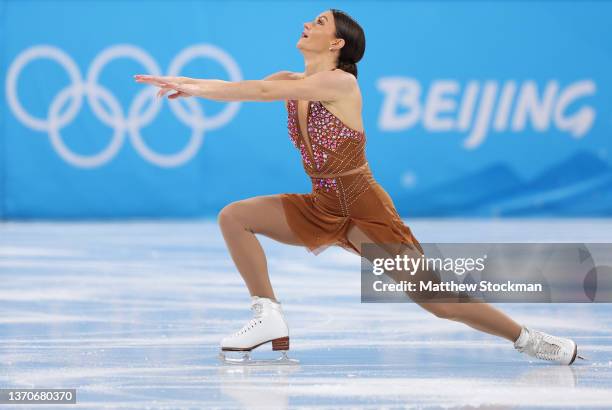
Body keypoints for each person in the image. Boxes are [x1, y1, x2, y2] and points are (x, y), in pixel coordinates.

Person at [134, 9, 581, 365]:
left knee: (439, 301)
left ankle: (529, 339)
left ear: (337, 43)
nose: (308, 23)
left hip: (363, 206)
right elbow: (244, 86)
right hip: (322, 202)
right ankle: (267, 314)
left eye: (320, 22)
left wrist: (194, 87)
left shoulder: (340, 82)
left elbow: (258, 94)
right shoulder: (292, 81)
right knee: (235, 217)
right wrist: (187, 85)